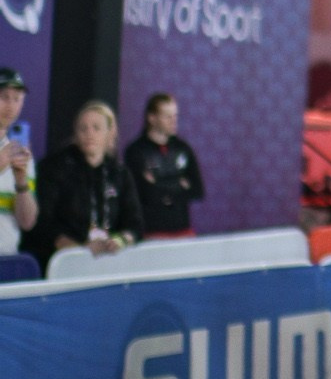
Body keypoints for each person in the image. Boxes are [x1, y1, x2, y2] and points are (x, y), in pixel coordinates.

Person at [22, 101, 143, 274]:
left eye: (96, 128)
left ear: (111, 132)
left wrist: (121, 240)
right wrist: (78, 249)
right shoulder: (54, 168)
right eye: (83, 128)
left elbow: (135, 223)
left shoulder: (120, 174)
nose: (89, 134)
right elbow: (42, 222)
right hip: (62, 263)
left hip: (108, 263)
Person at [124, 92, 206, 237]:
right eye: (168, 116)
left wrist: (157, 183)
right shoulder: (136, 151)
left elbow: (197, 190)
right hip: (151, 232)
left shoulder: (183, 148)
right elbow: (142, 194)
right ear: (152, 118)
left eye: (175, 116)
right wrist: (179, 184)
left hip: (183, 230)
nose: (174, 121)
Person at [0, 66, 38, 254]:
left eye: (17, 99)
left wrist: (21, 180)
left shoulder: (19, 150)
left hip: (7, 258)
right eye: (4, 97)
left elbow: (27, 222)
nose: (11, 105)